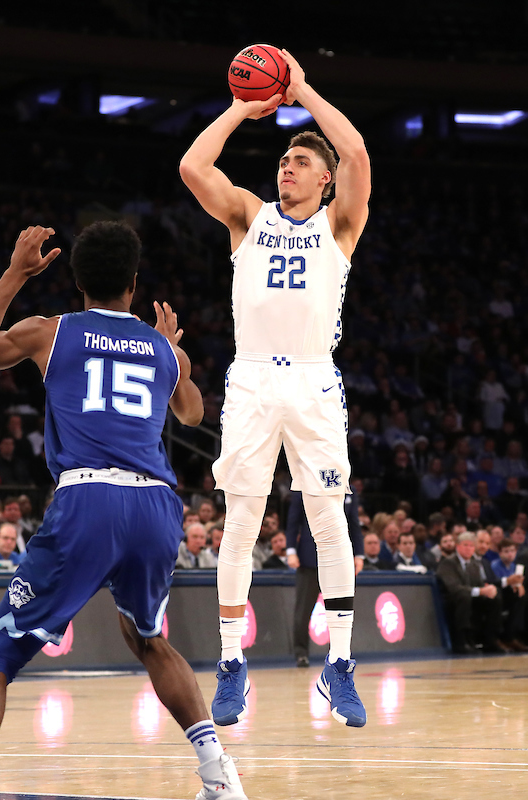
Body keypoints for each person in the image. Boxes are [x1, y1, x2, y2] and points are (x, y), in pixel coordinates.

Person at [0, 222, 246, 800]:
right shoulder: (160, 350)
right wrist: (170, 349)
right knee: (148, 638)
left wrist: (15, 274)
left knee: (0, 652)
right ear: (133, 283)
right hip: (156, 504)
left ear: (76, 281)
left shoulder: (50, 331)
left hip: (88, 497)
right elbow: (194, 414)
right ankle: (219, 776)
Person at [180, 48, 370, 729]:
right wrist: (241, 108)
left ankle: (340, 665)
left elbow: (356, 150)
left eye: (299, 162)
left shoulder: (339, 226)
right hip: (254, 377)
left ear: (325, 181)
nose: (286, 165)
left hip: (316, 380)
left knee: (330, 524)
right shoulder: (248, 217)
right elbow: (192, 168)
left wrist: (304, 89)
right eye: (284, 159)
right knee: (238, 520)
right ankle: (232, 664)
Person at [285, 490, 363, 667]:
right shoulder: (303, 486)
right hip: (308, 558)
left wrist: (359, 554)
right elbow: (293, 522)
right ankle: (301, 654)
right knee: (303, 611)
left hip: (339, 558)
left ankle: (339, 655)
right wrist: (290, 550)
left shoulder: (347, 487)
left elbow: (354, 524)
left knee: (341, 610)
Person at [437, 532, 503, 654]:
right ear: (458, 547)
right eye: (465, 545)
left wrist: (487, 589)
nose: (469, 548)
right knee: (464, 596)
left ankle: (490, 640)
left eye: (471, 546)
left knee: (494, 597)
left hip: (469, 597)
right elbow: (454, 588)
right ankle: (462, 641)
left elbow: (479, 584)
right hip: (452, 600)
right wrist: (480, 590)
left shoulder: (474, 564)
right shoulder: (448, 563)